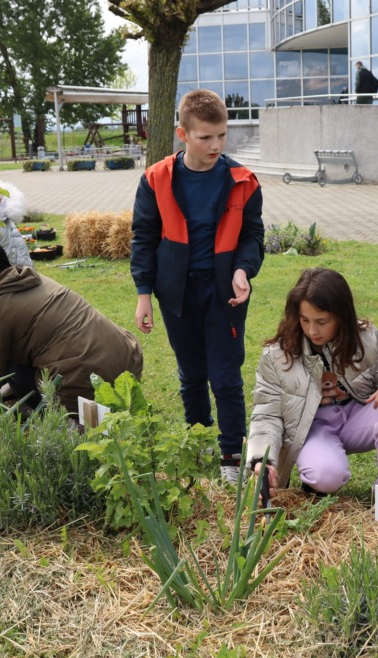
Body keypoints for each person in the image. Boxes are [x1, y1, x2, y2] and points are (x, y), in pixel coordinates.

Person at [130, 89, 264, 482]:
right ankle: (199, 439)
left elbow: (253, 236)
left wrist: (243, 269)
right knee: (190, 374)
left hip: (225, 293)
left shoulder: (243, 179)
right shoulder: (156, 179)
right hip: (177, 293)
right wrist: (144, 295)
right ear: (182, 134)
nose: (216, 145)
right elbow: (144, 237)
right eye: (206, 137)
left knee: (225, 375)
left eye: (222, 135)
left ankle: (230, 457)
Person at [247, 267, 378, 494]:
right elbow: (266, 412)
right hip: (312, 428)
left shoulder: (367, 338)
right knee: (327, 476)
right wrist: (262, 458)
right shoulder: (276, 355)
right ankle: (318, 475)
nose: (311, 330)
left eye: (322, 321)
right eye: (304, 319)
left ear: (341, 315)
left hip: (356, 418)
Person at [0, 242, 143, 410]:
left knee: (13, 369)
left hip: (86, 383)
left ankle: (68, 417)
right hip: (127, 362)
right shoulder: (31, 279)